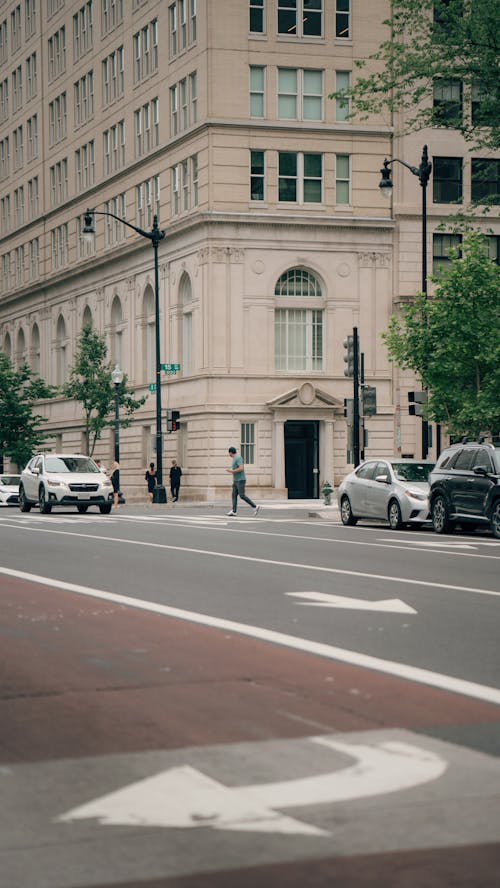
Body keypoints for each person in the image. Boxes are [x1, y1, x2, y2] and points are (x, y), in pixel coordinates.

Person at [226, 446, 259, 517]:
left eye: (229, 453)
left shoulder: (238, 458)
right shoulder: (235, 458)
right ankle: (234, 511)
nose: (229, 454)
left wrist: (232, 471)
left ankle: (254, 506)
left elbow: (241, 468)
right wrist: (232, 471)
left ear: (231, 452)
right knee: (234, 495)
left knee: (242, 496)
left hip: (240, 480)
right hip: (236, 480)